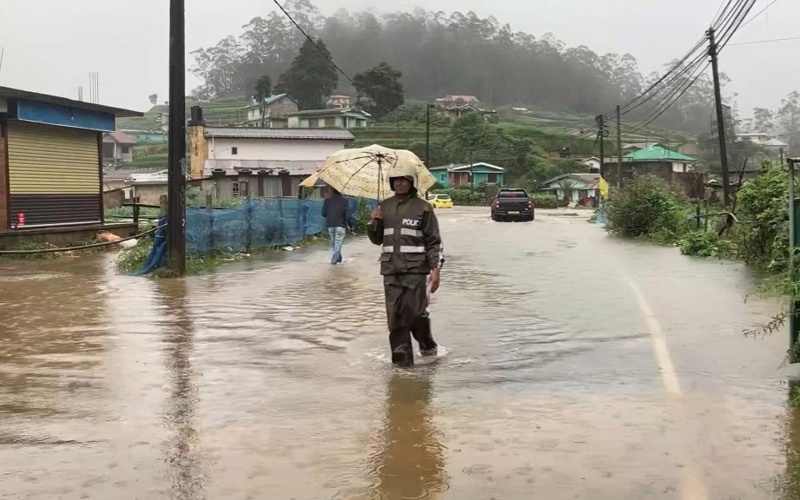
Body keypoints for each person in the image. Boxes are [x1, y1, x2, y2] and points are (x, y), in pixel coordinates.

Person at [367, 164, 445, 367]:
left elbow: (434, 242)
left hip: (415, 271)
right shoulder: (383, 207)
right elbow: (376, 240)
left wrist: (436, 270)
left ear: (411, 182)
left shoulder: (423, 207)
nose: (399, 183)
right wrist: (373, 222)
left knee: (416, 315)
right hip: (390, 270)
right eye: (395, 180)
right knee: (395, 318)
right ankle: (402, 365)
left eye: (403, 180)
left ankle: (427, 346)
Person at [322, 188, 348, 265]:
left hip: (330, 224)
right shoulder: (345, 201)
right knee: (338, 243)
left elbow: (323, 213)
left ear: (332, 191)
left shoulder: (327, 201)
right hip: (340, 225)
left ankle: (338, 257)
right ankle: (334, 259)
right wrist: (349, 224)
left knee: (334, 242)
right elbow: (347, 214)